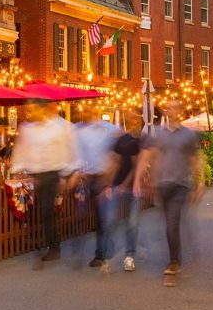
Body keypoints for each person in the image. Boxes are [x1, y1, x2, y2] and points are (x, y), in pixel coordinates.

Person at [134, 99, 202, 287]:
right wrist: (138, 179)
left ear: (180, 110)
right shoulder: (157, 134)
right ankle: (177, 256)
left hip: (181, 185)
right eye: (168, 108)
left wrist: (200, 183)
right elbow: (145, 156)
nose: (170, 111)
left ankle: (173, 263)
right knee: (169, 224)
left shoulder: (187, 135)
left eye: (174, 107)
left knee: (172, 223)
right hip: (162, 185)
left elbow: (194, 160)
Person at [10, 100, 79, 263]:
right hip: (37, 175)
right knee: (44, 211)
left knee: (47, 210)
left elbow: (65, 150)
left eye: (33, 109)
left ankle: (54, 247)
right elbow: (22, 150)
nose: (30, 112)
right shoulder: (27, 129)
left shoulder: (56, 128)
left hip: (52, 174)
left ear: (42, 110)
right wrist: (17, 168)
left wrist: (66, 173)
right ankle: (51, 243)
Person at [74, 107, 119, 268]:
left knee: (102, 218)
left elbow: (115, 153)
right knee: (82, 214)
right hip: (87, 178)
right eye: (82, 111)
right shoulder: (79, 131)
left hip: (103, 179)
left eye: (87, 110)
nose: (84, 113)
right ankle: (80, 250)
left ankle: (101, 253)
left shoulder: (106, 129)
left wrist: (108, 180)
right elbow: (77, 154)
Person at [101, 114, 143, 273]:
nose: (134, 123)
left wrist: (124, 185)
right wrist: (108, 184)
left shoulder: (138, 142)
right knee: (110, 221)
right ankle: (106, 258)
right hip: (117, 186)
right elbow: (114, 162)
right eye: (132, 120)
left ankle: (129, 256)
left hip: (132, 188)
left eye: (136, 120)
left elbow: (136, 166)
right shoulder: (121, 140)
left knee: (132, 223)